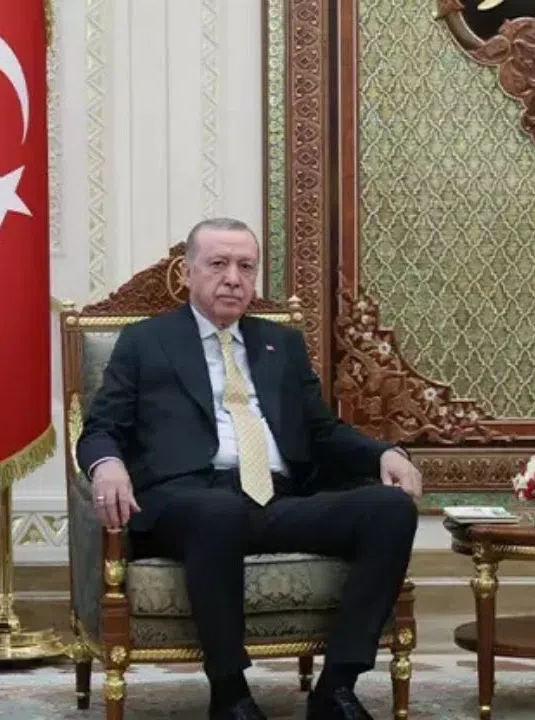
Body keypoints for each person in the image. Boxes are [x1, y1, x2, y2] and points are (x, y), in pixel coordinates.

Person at [77, 218, 422, 720]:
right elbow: (101, 427)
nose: (233, 279)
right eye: (218, 264)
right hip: (187, 502)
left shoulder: (279, 343)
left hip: (275, 499)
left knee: (390, 509)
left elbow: (322, 430)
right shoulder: (144, 341)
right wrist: (107, 465)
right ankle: (230, 694)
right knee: (218, 511)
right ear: (188, 272)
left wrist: (384, 454)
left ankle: (336, 688)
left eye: (245, 267)